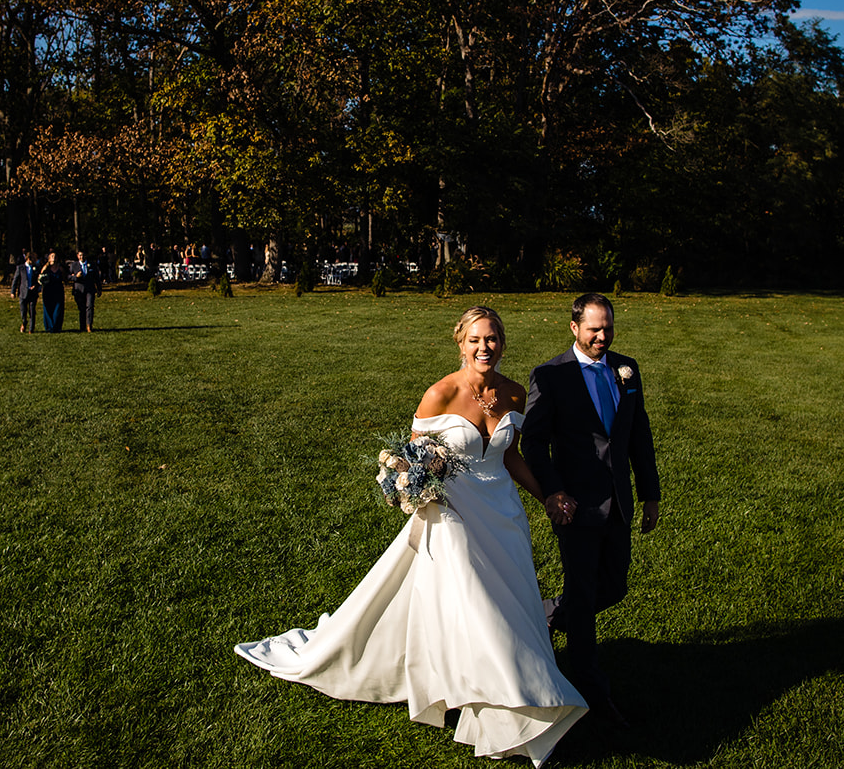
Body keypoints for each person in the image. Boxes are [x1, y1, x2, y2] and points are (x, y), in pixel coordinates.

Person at [235, 307, 588, 766]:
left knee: (511, 606)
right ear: (460, 344)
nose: (485, 347)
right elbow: (412, 461)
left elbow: (511, 457)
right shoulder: (439, 395)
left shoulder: (514, 394)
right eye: (476, 340)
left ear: (503, 343)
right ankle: (509, 717)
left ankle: (506, 689)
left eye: (493, 339)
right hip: (454, 517)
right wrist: (413, 488)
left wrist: (546, 496)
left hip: (503, 516)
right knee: (480, 610)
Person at [520, 293, 660, 729]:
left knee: (614, 586)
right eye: (594, 329)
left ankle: (550, 614)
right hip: (575, 507)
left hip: (618, 501)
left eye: (608, 328)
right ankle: (591, 693)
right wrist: (554, 493)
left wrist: (650, 493)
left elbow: (638, 434)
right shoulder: (551, 375)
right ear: (574, 328)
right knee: (583, 598)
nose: (602, 337)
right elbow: (533, 444)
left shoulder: (627, 369)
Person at [9, 249, 40, 334]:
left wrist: (36, 286)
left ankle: (31, 329)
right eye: (33, 259)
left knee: (32, 311)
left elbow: (39, 280)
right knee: (23, 311)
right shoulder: (20, 268)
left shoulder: (36, 268)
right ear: (28, 259)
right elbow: (15, 280)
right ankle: (24, 322)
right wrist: (13, 291)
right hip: (23, 292)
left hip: (33, 293)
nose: (34, 261)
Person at [70, 249, 101, 332]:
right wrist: (76, 277)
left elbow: (96, 278)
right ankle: (82, 326)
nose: (81, 257)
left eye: (83, 255)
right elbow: (68, 277)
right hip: (79, 290)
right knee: (82, 308)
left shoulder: (92, 265)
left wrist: (99, 288)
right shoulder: (74, 265)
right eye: (80, 255)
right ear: (77, 256)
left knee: (90, 306)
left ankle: (89, 325)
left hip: (90, 289)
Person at [40, 250, 65, 334]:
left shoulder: (60, 268)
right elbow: (40, 278)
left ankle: (57, 326)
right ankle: (49, 327)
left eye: (55, 256)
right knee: (48, 309)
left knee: (58, 309)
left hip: (58, 290)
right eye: (52, 256)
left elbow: (65, 278)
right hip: (48, 290)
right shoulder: (45, 268)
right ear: (49, 259)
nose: (53, 258)